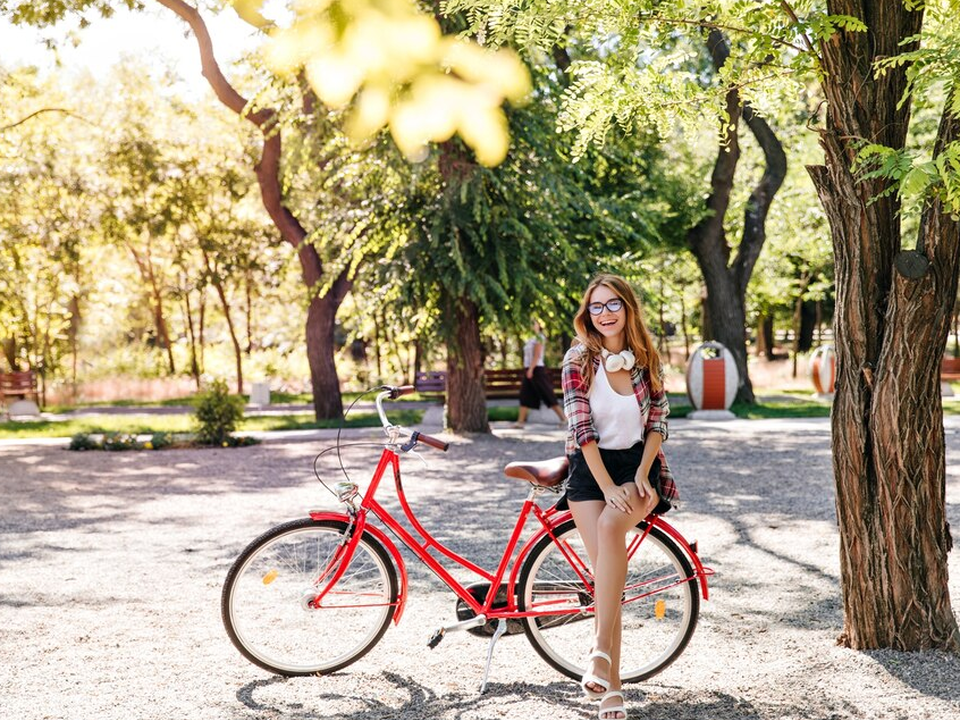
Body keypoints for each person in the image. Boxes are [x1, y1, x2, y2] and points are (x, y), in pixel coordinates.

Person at [561, 273, 678, 720]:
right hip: (590, 473)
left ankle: (597, 654)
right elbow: (581, 430)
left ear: (627, 308)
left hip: (637, 467)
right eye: (596, 306)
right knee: (607, 580)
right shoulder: (577, 361)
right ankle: (612, 689)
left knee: (613, 530)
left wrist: (643, 474)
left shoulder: (646, 359)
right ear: (587, 314)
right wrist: (606, 487)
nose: (605, 313)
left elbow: (659, 423)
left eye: (613, 305)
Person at [514, 321, 567, 428]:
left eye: (534, 323)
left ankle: (564, 419)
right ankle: (520, 422)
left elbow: (537, 355)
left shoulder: (539, 337)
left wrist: (531, 369)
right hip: (529, 369)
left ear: (539, 325)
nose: (532, 325)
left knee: (547, 394)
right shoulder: (529, 338)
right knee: (525, 394)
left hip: (536, 369)